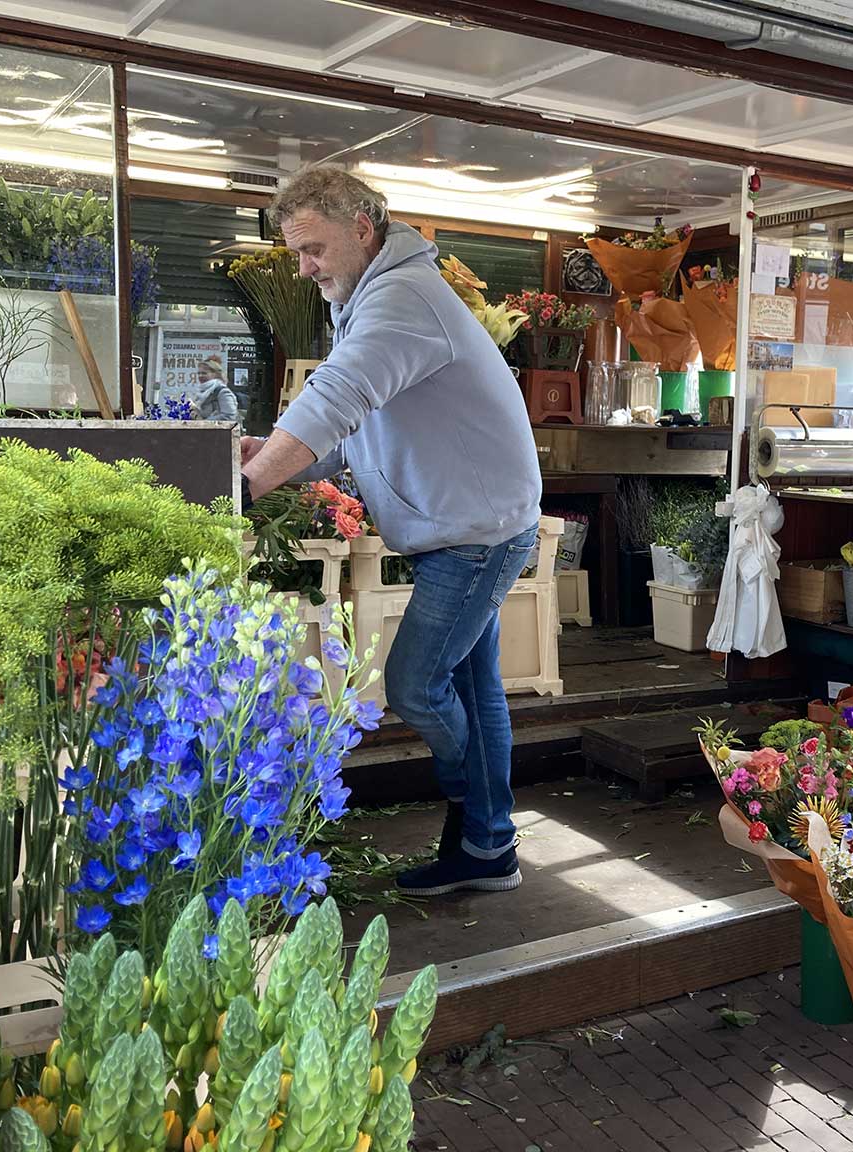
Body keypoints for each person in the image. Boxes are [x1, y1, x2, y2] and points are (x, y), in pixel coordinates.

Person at [240, 164, 542, 897]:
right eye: (295, 254)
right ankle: (487, 845)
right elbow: (360, 423)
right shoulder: (375, 293)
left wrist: (247, 487)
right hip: (466, 521)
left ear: (362, 228)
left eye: (312, 250)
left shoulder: (402, 296)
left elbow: (340, 393)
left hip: (477, 533)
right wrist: (270, 451)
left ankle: (482, 813)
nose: (304, 268)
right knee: (472, 691)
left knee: (413, 685)